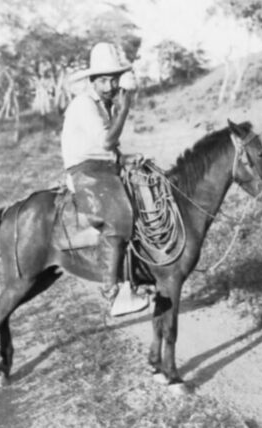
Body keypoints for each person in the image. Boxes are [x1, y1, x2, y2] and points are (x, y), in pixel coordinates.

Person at [61, 42, 148, 317]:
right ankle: (112, 293)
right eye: (103, 80)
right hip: (84, 172)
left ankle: (140, 277)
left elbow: (108, 149)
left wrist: (124, 158)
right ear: (92, 81)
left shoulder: (103, 106)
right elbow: (107, 140)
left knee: (144, 203)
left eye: (113, 79)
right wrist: (125, 107)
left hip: (102, 169)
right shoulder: (85, 104)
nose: (109, 86)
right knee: (120, 214)